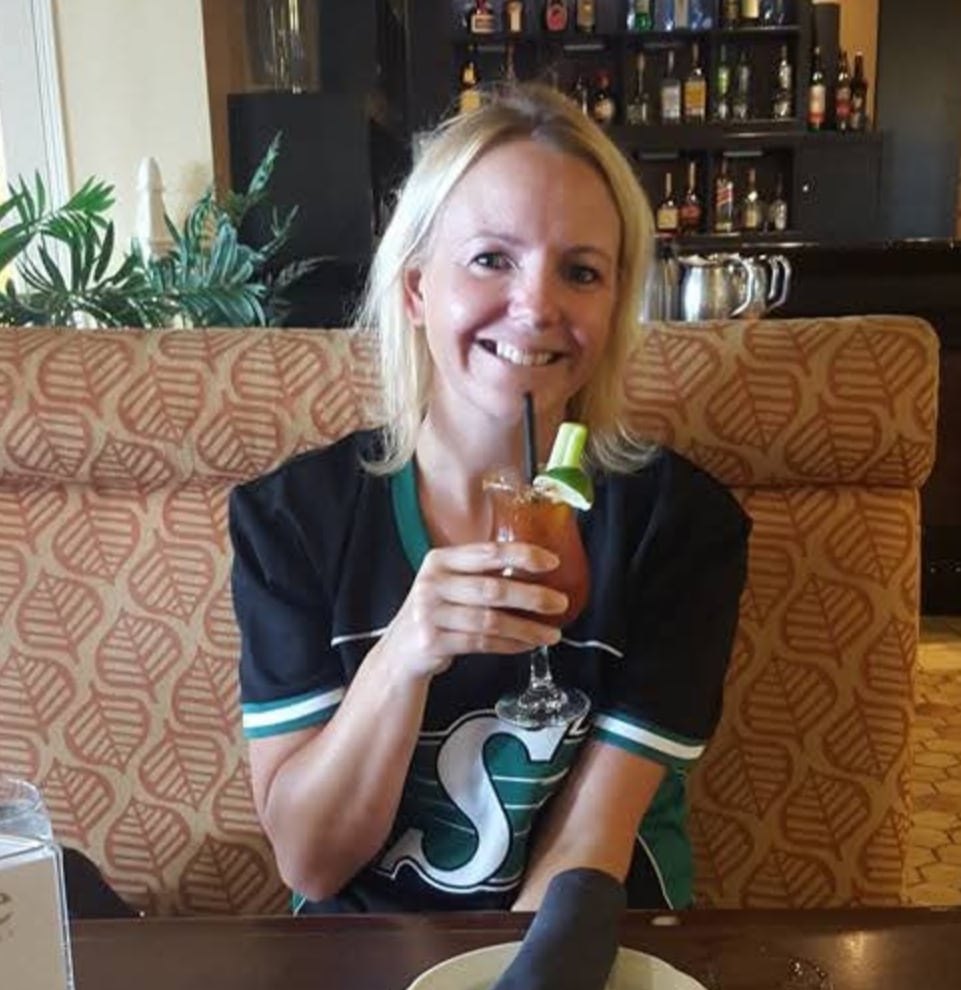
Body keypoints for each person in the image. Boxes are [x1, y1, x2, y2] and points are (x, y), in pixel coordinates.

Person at [229, 83, 750, 915]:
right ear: (414, 289)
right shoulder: (290, 522)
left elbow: (590, 841)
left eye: (580, 271)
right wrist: (402, 653)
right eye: (490, 258)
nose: (537, 305)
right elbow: (312, 862)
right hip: (362, 957)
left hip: (573, 941)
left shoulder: (679, 527)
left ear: (613, 306)